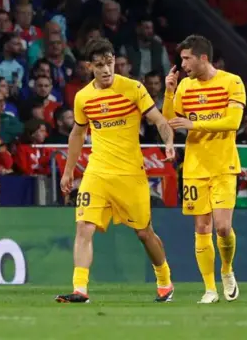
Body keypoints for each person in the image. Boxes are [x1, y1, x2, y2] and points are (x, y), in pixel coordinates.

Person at [56, 37, 176, 304]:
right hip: (97, 172)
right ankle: (80, 289)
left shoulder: (133, 88)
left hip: (130, 174)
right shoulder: (83, 97)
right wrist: (68, 171)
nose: (106, 69)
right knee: (83, 227)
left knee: (144, 233)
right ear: (90, 67)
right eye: (100, 65)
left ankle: (165, 281)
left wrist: (169, 142)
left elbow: (158, 119)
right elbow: (77, 133)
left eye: (109, 63)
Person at [163, 35, 245, 304]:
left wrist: (194, 125)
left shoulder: (232, 82)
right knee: (201, 227)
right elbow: (169, 121)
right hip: (195, 167)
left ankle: (227, 270)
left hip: (224, 165)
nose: (182, 63)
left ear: (203, 58)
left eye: (187, 58)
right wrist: (169, 92)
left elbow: (232, 122)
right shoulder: (185, 86)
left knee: (222, 228)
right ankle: (210, 289)